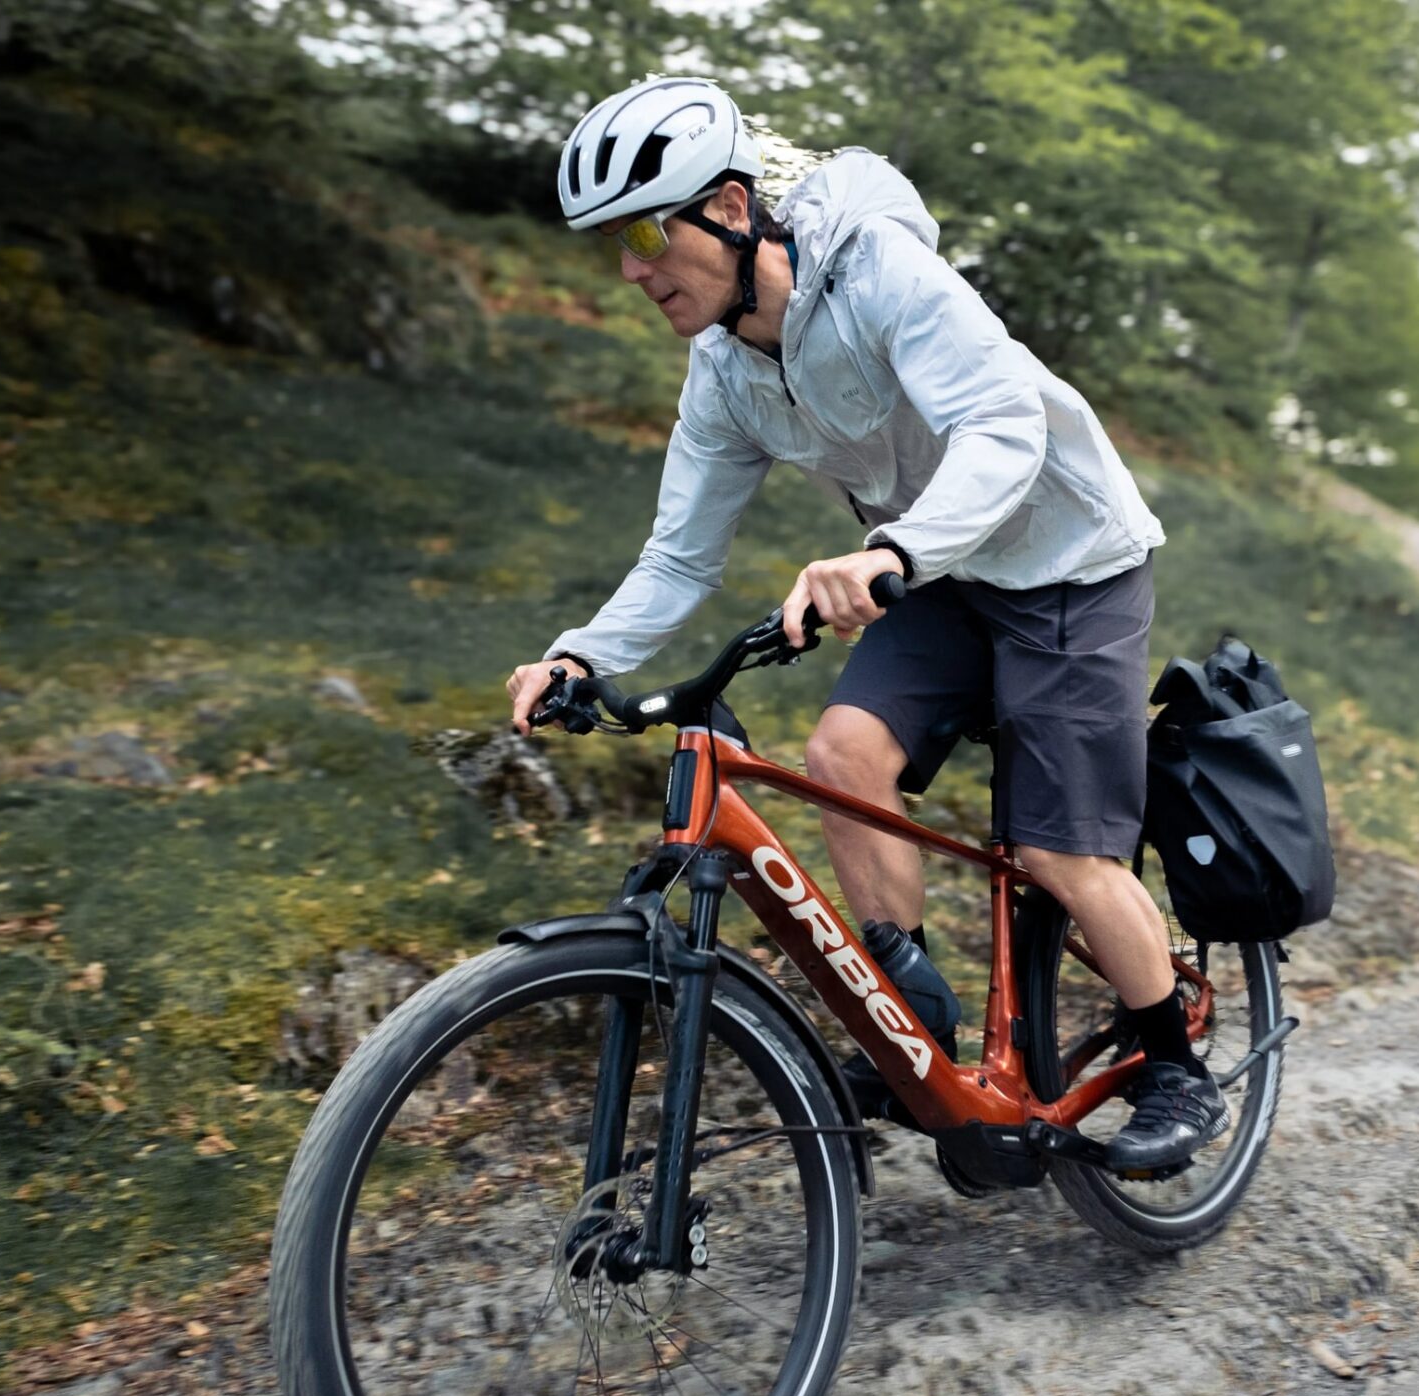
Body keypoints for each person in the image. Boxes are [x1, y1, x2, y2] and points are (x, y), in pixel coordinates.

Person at [503, 77, 1224, 1171]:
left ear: (732, 210)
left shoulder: (879, 270)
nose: (633, 271)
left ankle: (1175, 1064)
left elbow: (1001, 425)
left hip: (1068, 564)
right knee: (843, 754)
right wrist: (579, 655)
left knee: (1058, 849)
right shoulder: (725, 374)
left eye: (648, 234)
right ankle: (914, 1027)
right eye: (616, 245)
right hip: (941, 571)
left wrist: (890, 554)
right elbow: (680, 555)